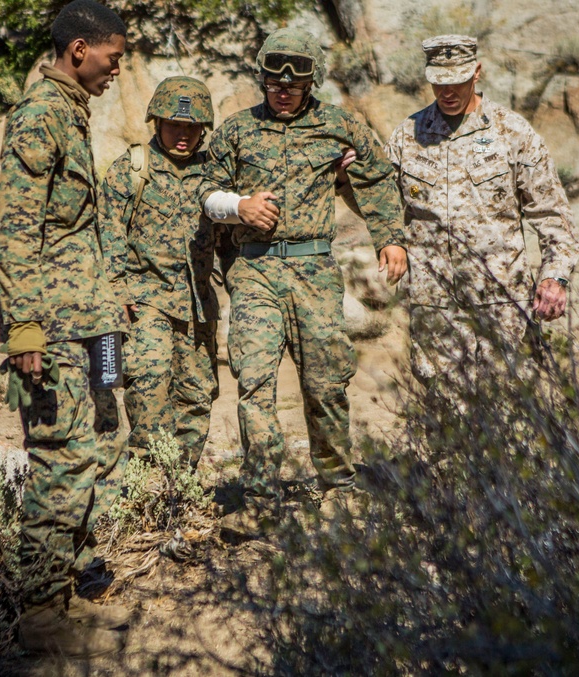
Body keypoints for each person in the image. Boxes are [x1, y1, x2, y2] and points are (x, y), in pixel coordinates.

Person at [200, 27, 408, 537]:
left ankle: (338, 486)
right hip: (253, 271)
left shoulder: (341, 127)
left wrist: (391, 238)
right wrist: (238, 205)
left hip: (314, 268)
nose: (283, 87)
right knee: (254, 382)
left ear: (312, 81)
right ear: (264, 77)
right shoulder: (235, 131)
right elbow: (204, 189)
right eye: (274, 78)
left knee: (325, 382)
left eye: (295, 79)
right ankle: (262, 496)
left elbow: (377, 178)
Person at [0, 0, 131, 656]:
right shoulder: (41, 116)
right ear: (79, 51)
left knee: (104, 434)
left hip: (96, 324)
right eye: (113, 59)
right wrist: (24, 333)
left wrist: (114, 299)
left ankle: (81, 563)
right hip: (55, 331)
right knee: (60, 453)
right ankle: (42, 608)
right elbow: (13, 229)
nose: (117, 71)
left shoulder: (73, 112)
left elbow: (75, 227)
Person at [384, 34, 579, 405]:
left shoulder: (513, 132)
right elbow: (376, 200)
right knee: (444, 416)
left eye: (456, 80)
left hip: (501, 302)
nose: (447, 91)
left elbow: (552, 213)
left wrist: (555, 276)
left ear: (477, 72)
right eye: (438, 81)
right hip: (434, 303)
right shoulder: (407, 135)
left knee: (508, 410)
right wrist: (349, 176)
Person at [99, 76, 226, 468]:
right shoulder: (132, 170)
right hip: (145, 302)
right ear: (156, 122)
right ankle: (147, 487)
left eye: (192, 127)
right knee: (149, 389)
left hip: (198, 307)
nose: (183, 135)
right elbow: (109, 238)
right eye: (174, 125)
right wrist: (117, 301)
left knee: (196, 396)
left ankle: (180, 487)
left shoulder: (217, 174)